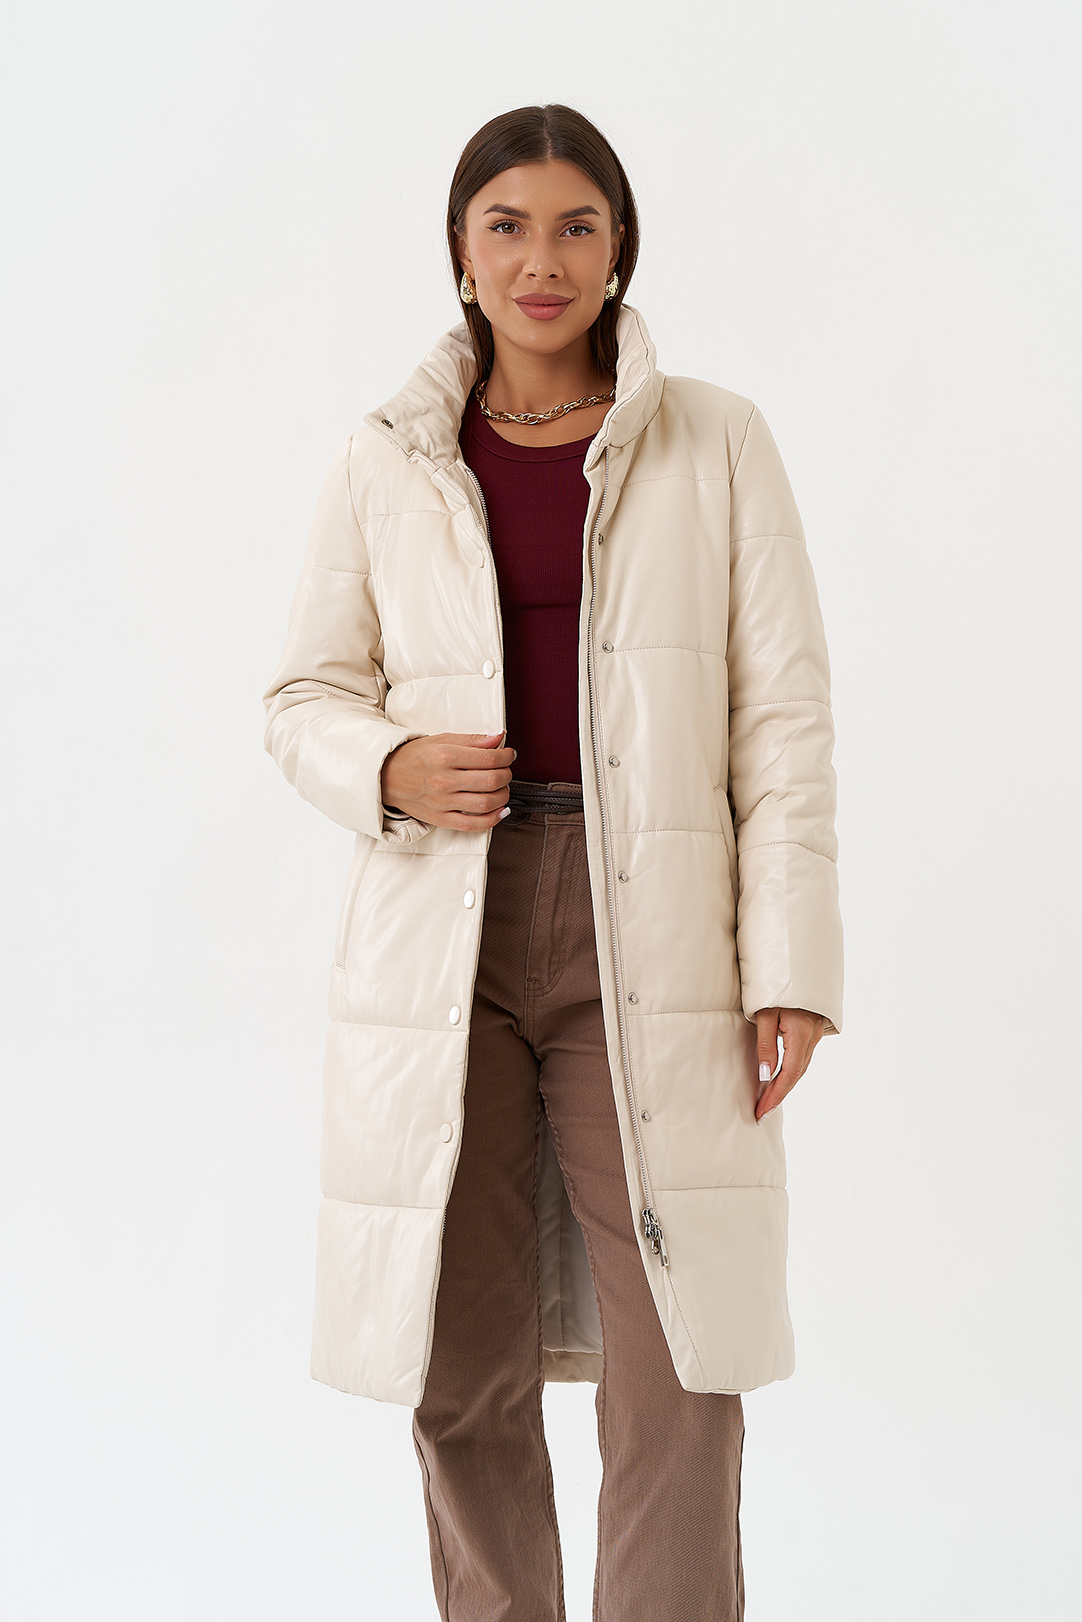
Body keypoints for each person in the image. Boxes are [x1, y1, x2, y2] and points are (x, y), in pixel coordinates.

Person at [262, 102, 843, 1622]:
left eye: (576, 226)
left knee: (682, 1357)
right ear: (460, 253)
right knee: (459, 1358)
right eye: (507, 226)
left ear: (619, 249)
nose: (542, 260)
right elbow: (302, 696)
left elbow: (781, 716)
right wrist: (388, 765)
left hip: (653, 922)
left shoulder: (716, 439)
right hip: (439, 926)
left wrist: (789, 964)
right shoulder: (388, 456)